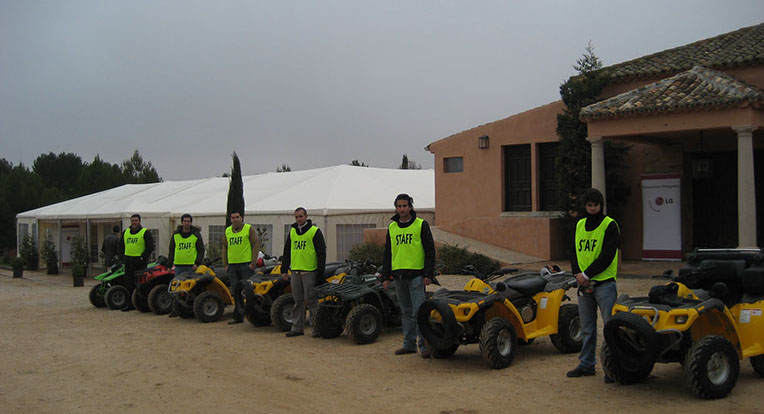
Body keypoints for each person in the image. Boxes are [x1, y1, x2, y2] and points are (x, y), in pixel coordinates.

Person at [566, 188, 620, 381]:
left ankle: (613, 367)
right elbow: (573, 251)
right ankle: (587, 364)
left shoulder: (610, 225)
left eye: (596, 205)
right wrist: (577, 274)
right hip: (584, 284)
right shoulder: (579, 224)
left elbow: (608, 255)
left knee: (610, 328)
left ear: (601, 205)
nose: (593, 208)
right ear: (585, 206)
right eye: (589, 205)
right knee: (587, 328)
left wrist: (586, 274)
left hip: (604, 283)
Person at [381, 193, 435, 358]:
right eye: (399, 206)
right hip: (399, 277)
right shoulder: (392, 228)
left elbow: (430, 250)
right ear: (396, 208)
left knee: (419, 311)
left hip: (416, 276)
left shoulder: (421, 225)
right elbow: (388, 253)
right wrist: (385, 276)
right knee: (406, 312)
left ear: (410, 207)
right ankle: (409, 344)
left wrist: (428, 274)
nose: (402, 209)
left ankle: (424, 345)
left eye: (405, 206)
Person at [281, 207, 326, 338]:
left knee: (311, 301)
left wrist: (320, 272)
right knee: (297, 301)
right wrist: (284, 269)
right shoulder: (292, 232)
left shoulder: (314, 231)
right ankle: (297, 328)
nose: (299, 219)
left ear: (306, 216)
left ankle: (316, 328)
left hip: (309, 272)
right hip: (295, 272)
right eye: (296, 217)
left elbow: (321, 253)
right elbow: (287, 251)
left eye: (301, 216)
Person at [221, 211, 258, 325]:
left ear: (241, 218)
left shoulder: (249, 229)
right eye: (233, 217)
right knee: (236, 292)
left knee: (249, 292)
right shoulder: (227, 231)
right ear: (230, 219)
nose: (235, 219)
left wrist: (253, 263)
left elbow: (255, 245)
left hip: (246, 265)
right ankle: (238, 316)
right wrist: (225, 264)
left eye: (237, 217)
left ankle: (254, 315)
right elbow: (224, 247)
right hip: (232, 266)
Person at [118, 214, 155, 311]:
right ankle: (130, 304)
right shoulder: (126, 232)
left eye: (136, 221)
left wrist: (142, 257)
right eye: (132, 221)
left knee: (141, 284)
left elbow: (150, 247)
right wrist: (122, 257)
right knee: (128, 284)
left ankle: (142, 304)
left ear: (139, 221)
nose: (134, 222)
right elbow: (121, 246)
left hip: (140, 263)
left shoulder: (145, 232)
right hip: (128, 262)